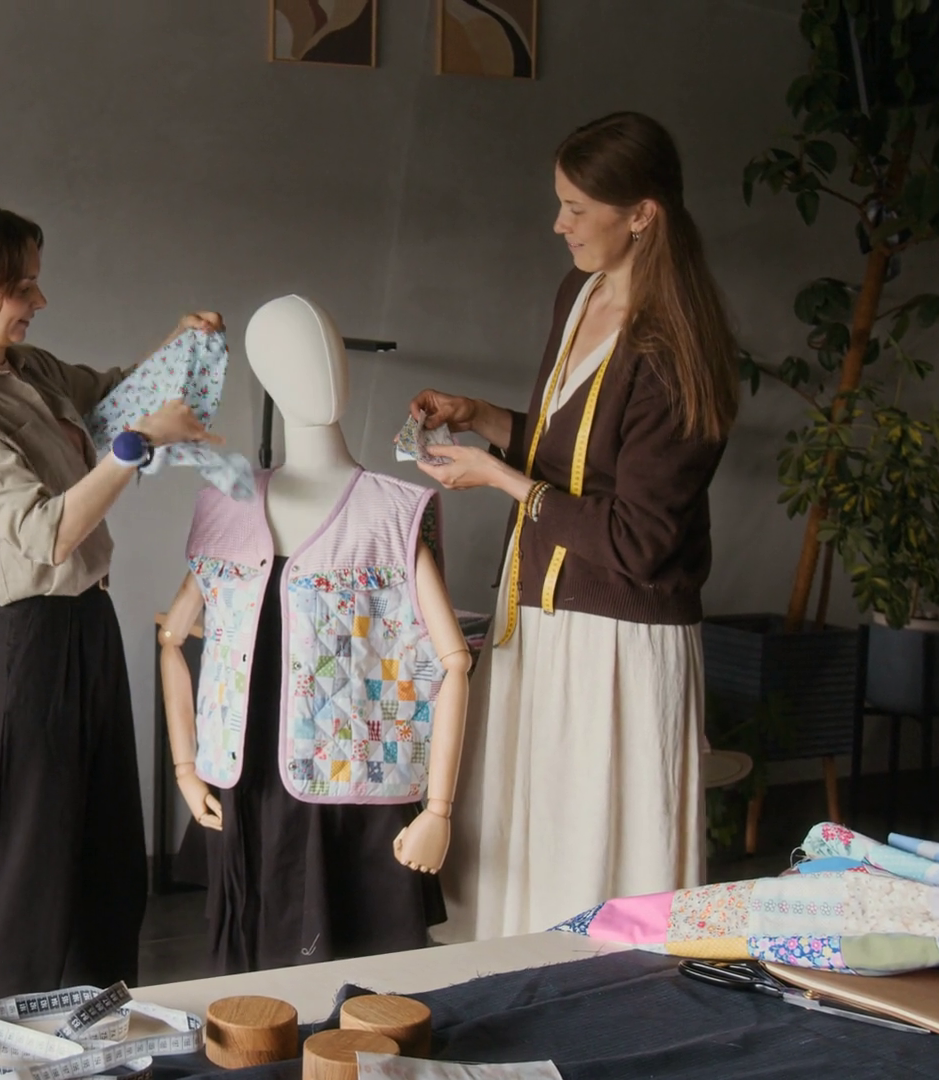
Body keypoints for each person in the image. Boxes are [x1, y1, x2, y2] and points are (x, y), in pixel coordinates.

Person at [408, 112, 739, 939]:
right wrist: (481, 417)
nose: (559, 224)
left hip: (617, 643)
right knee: (530, 850)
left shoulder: (674, 352)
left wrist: (499, 480)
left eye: (577, 207)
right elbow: (579, 455)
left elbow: (638, 541)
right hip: (544, 619)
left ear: (643, 214)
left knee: (596, 861)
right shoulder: (581, 293)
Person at [0, 200, 221, 997]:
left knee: (107, 866)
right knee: (22, 885)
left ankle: (100, 1031)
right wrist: (137, 448)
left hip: (86, 629)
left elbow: (113, 399)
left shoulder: (30, 371)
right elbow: (47, 533)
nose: (40, 301)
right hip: (22, 650)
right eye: (24, 287)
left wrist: (178, 344)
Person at [158, 295, 470, 974]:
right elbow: (173, 638)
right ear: (268, 374)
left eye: (331, 351)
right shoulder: (228, 505)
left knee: (365, 984)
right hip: (247, 787)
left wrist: (439, 809)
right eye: (301, 357)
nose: (325, 371)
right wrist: (186, 769)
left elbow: (454, 663)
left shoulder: (390, 512)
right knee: (253, 988)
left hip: (360, 794)